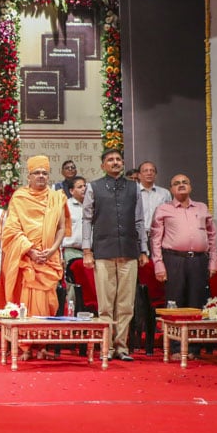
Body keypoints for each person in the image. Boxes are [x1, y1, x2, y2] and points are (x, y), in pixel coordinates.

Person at [80, 148, 148, 362]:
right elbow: (87, 220)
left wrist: (143, 249)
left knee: (126, 304)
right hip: (103, 251)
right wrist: (87, 251)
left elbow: (139, 221)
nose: (115, 162)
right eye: (110, 160)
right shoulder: (94, 187)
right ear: (103, 165)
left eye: (118, 159)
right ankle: (107, 347)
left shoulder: (133, 187)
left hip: (129, 251)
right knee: (106, 304)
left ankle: (122, 346)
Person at [0, 155, 67, 338]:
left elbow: (61, 228)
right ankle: (26, 343)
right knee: (25, 299)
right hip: (26, 257)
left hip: (49, 258)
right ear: (29, 176)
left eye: (45, 173)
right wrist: (31, 251)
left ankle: (43, 343)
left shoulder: (57, 198)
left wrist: (52, 250)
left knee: (48, 300)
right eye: (37, 173)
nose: (41, 176)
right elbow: (12, 229)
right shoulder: (20, 197)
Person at [150, 174, 217, 360]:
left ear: (190, 186)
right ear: (171, 189)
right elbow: (155, 240)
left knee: (197, 304)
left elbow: (212, 237)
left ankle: (194, 349)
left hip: (198, 260)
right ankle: (175, 348)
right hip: (174, 260)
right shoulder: (164, 209)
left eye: (184, 182)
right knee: (175, 304)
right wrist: (158, 264)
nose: (181, 185)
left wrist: (213, 261)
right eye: (176, 183)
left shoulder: (202, 208)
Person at [136, 160, 172, 250]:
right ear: (139, 175)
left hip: (159, 237)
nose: (149, 173)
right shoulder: (133, 192)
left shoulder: (164, 193)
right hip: (138, 237)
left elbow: (170, 216)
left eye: (152, 171)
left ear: (155, 174)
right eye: (145, 171)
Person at [60, 176, 90, 264]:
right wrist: (60, 256)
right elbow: (59, 231)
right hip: (72, 252)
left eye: (85, 186)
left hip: (91, 253)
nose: (83, 189)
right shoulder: (66, 206)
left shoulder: (92, 205)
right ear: (71, 191)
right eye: (80, 187)